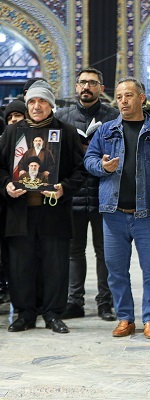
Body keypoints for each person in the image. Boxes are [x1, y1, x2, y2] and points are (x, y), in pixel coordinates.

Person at [84, 77, 150, 339]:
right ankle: (125, 318)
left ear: (141, 98)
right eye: (119, 97)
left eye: (128, 96)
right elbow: (89, 159)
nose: (123, 101)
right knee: (116, 271)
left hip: (149, 213)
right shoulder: (106, 131)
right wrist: (101, 166)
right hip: (113, 212)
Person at [0, 79, 85, 334]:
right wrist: (6, 185)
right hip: (20, 213)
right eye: (32, 102)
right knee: (20, 264)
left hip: (53, 211)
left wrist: (64, 188)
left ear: (51, 105)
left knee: (55, 264)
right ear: (27, 105)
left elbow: (80, 170)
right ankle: (24, 314)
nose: (37, 106)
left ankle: (53, 314)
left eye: (42, 101)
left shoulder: (66, 132)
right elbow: (1, 167)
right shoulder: (12, 133)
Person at [55, 67, 120, 321]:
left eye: (92, 83)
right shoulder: (63, 118)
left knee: (105, 253)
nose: (86, 87)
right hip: (73, 194)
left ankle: (105, 302)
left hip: (105, 193)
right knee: (74, 252)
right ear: (76, 87)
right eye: (82, 82)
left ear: (101, 88)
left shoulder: (113, 117)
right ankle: (74, 301)